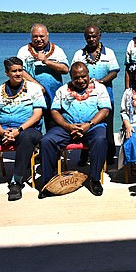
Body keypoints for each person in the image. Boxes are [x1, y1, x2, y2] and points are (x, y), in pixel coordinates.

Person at [0, 57, 45, 202]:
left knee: (26, 138)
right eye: (14, 71)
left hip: (27, 129)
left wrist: (19, 130)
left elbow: (37, 115)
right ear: (6, 73)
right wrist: (2, 132)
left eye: (20, 70)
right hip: (2, 129)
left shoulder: (34, 89)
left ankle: (16, 181)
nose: (18, 74)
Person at [39, 62, 110, 197]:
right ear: (71, 77)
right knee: (46, 140)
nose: (81, 80)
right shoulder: (62, 90)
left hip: (92, 126)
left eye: (84, 76)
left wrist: (88, 124)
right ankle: (49, 182)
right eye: (76, 78)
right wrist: (67, 126)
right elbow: (54, 111)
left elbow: (105, 110)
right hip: (68, 127)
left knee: (100, 140)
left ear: (88, 74)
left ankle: (94, 179)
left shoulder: (99, 88)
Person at [72, 26, 120, 166]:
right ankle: (84, 155)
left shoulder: (109, 53)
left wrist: (100, 82)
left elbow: (114, 72)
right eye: (88, 37)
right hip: (84, 100)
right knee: (85, 126)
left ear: (100, 36)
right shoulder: (79, 55)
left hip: (106, 98)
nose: (91, 39)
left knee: (108, 129)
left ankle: (109, 155)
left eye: (94, 36)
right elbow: (74, 73)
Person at [17, 23, 69, 129]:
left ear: (47, 36)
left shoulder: (57, 50)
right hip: (31, 95)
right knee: (33, 125)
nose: (38, 39)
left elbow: (65, 69)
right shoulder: (24, 51)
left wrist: (46, 61)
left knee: (54, 125)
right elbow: (20, 71)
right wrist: (36, 85)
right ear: (31, 37)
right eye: (35, 36)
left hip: (54, 95)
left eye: (41, 36)